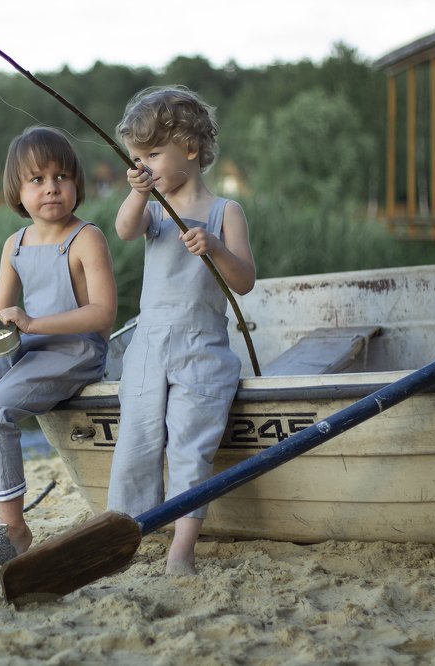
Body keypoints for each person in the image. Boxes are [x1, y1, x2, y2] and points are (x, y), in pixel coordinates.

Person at [0, 126, 118, 555]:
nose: (51, 187)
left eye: (61, 177)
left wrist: (32, 323)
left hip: (76, 351)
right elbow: (0, 313)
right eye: (37, 179)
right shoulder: (14, 245)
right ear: (17, 190)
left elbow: (103, 314)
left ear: (76, 184)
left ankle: (14, 529)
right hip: (25, 349)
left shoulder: (85, 238)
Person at [106, 86, 256, 575]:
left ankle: (181, 550)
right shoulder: (152, 207)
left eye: (151, 155)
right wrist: (138, 191)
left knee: (191, 446)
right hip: (149, 345)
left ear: (190, 148)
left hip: (202, 348)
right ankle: (127, 535)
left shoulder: (225, 212)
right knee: (136, 444)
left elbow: (244, 281)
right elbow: (124, 230)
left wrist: (216, 248)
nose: (142, 166)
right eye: (136, 158)